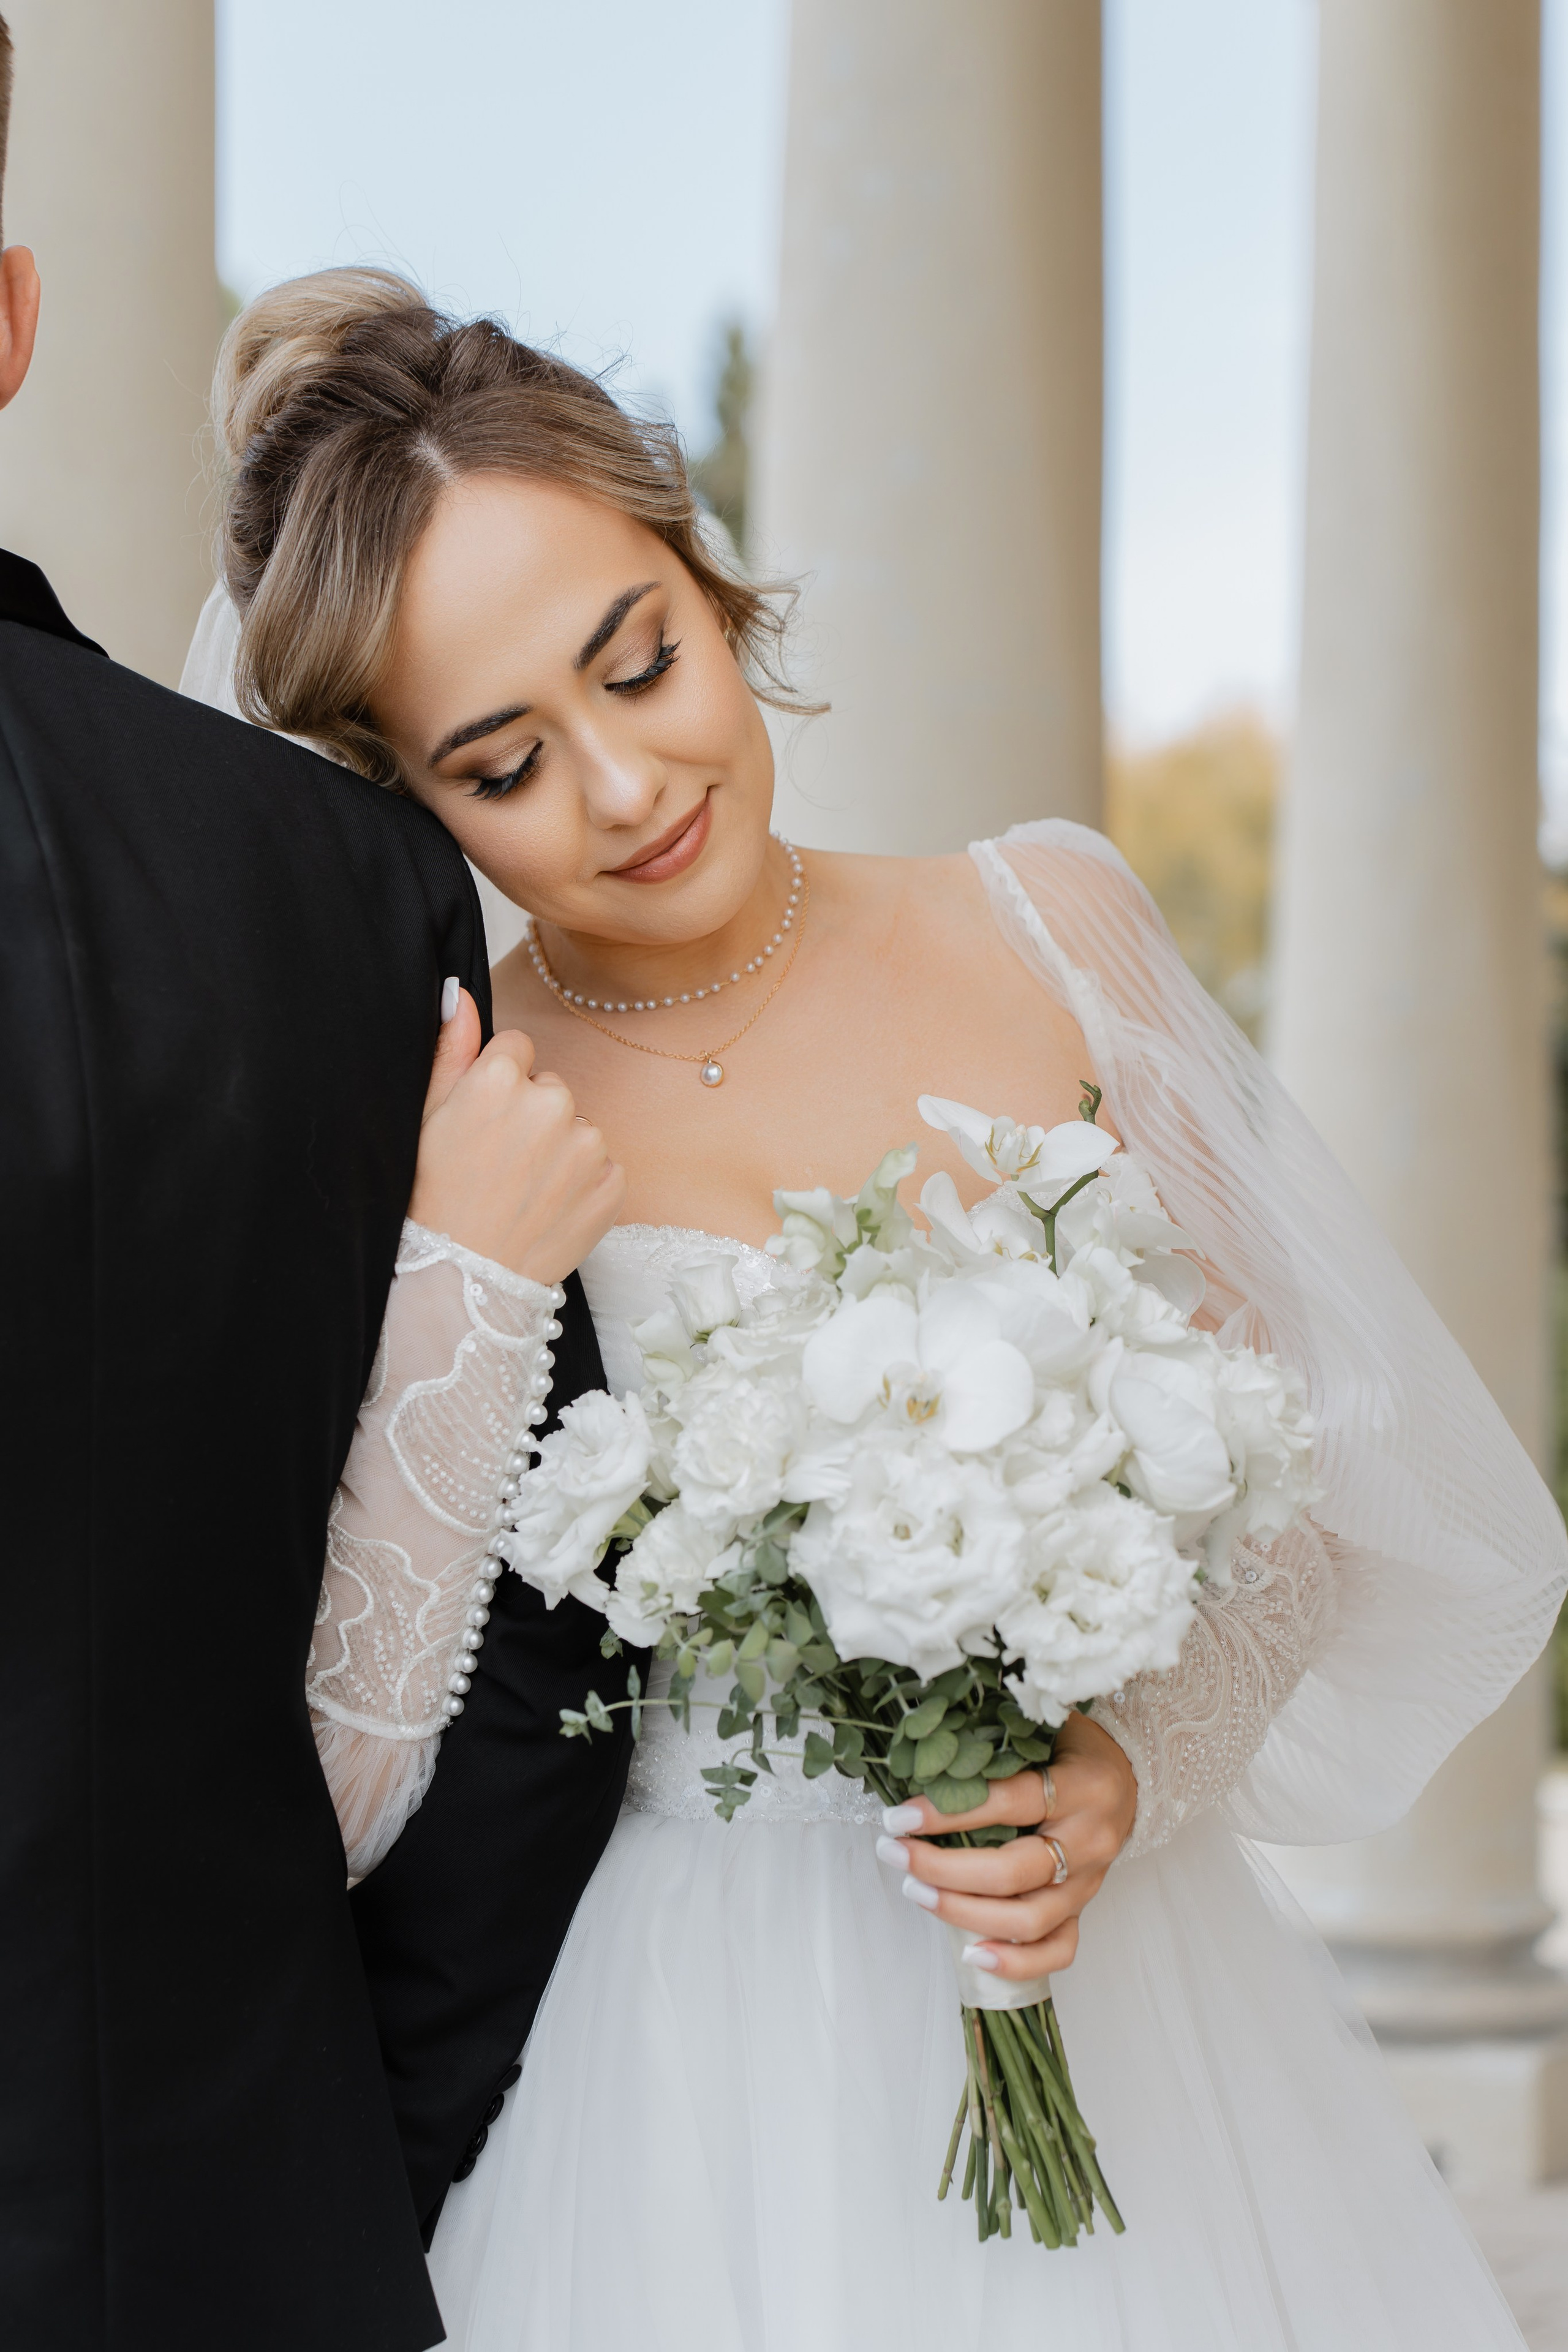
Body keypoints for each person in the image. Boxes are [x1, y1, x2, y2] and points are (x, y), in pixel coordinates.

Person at [183, 263, 1566, 2352]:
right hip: (695, 2047)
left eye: (636, 663)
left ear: (707, 577)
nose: (628, 788)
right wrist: (466, 1264)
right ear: (407, 795)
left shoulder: (1050, 918)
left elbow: (1316, 1468)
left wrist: (1125, 1766)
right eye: (502, 763)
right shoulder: (458, 1108)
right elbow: (349, 1745)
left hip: (1127, 1985)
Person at [0, 18, 625, 2342]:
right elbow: (525, 1668)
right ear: (13, 319)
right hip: (227, 2230)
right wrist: (349, 2174)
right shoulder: (341, 889)